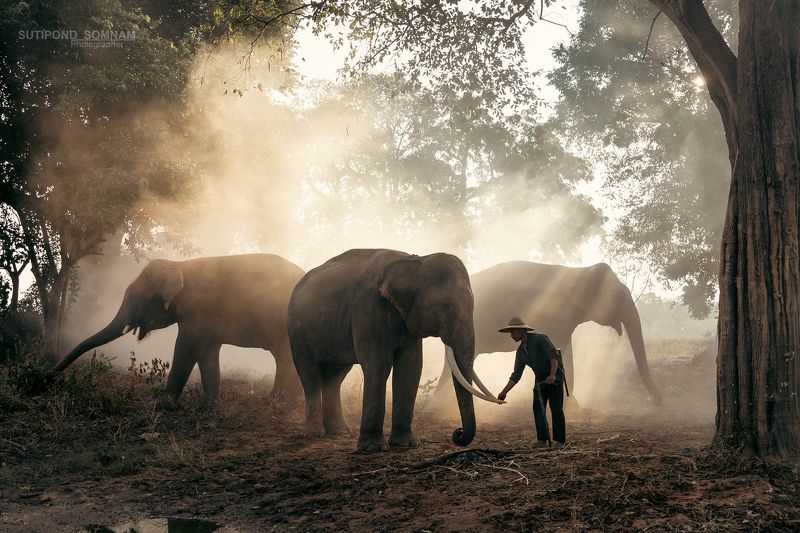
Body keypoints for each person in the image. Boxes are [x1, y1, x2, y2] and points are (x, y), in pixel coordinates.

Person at [497, 316, 566, 448]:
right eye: (510, 332)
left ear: (522, 330)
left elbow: (553, 356)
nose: (511, 335)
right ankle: (542, 440)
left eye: (513, 331)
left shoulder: (540, 339)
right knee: (538, 408)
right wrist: (504, 392)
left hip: (554, 376)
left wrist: (552, 375)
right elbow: (516, 375)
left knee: (556, 408)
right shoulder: (521, 352)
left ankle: (560, 441)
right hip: (540, 379)